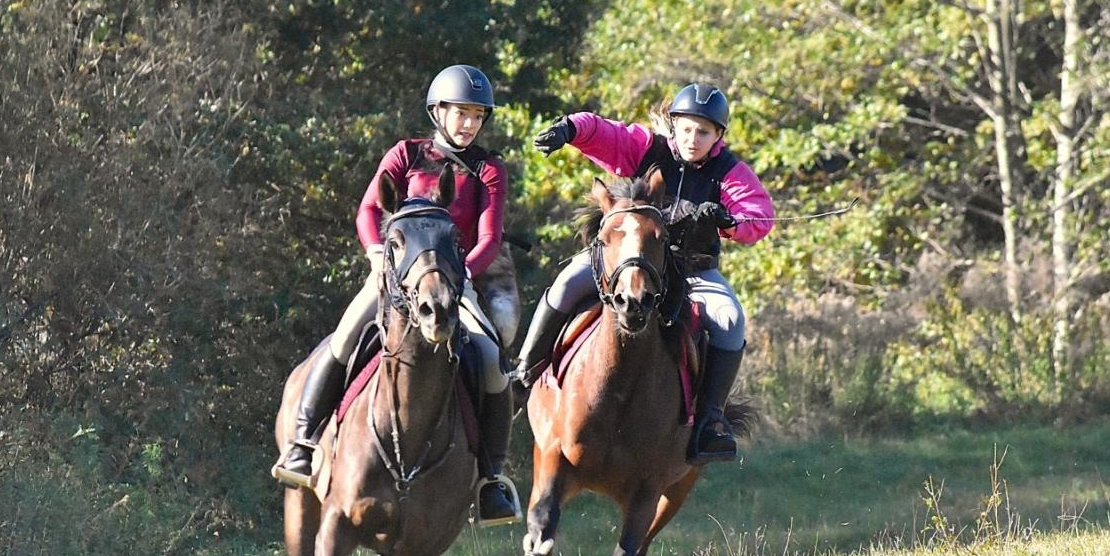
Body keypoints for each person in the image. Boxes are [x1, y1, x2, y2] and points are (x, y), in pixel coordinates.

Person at [272, 65, 522, 525]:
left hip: (454, 278)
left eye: (476, 116)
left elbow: (489, 236)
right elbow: (369, 208)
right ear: (438, 111)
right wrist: (373, 252)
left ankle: (491, 479)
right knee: (345, 339)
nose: (468, 124)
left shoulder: (488, 169)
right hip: (393, 277)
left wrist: (457, 273)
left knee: (490, 358)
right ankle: (304, 445)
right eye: (460, 113)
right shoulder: (407, 154)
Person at [511, 83, 773, 464]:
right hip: (628, 260)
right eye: (685, 129)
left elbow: (758, 215)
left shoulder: (729, 171)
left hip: (692, 271)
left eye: (703, 132)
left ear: (718, 136)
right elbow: (605, 132)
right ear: (674, 126)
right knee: (567, 281)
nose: (692, 139)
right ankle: (523, 372)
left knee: (730, 318)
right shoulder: (647, 147)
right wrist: (570, 129)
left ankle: (710, 419)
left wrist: (729, 220)